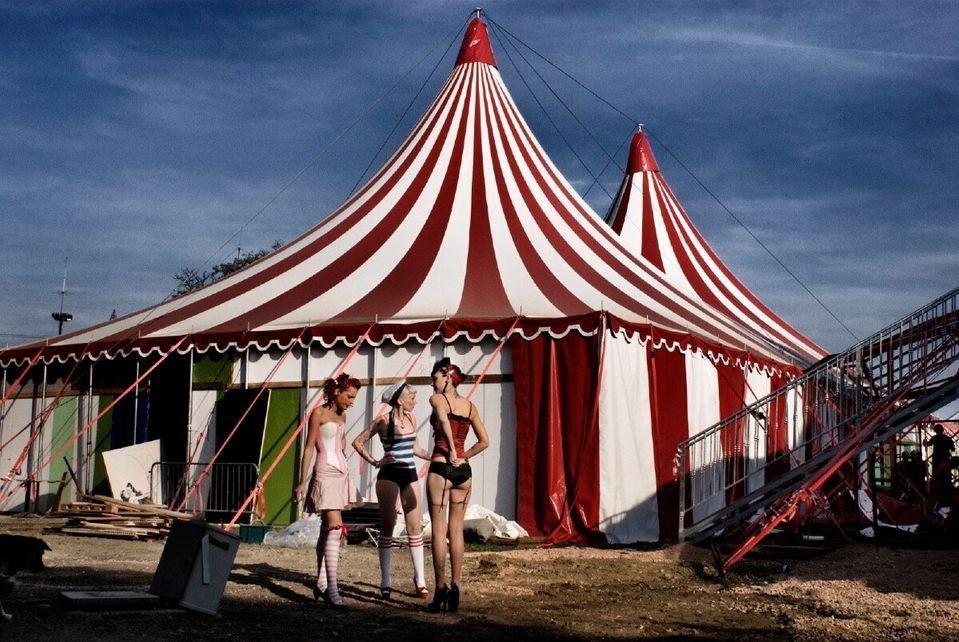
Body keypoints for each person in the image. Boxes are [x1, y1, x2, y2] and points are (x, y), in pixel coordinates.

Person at [352, 379, 432, 600]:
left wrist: (434, 457)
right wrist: (375, 461)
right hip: (389, 473)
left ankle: (420, 581)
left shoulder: (411, 418)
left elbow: (416, 449)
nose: (415, 401)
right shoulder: (383, 421)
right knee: (388, 524)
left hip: (409, 472)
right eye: (412, 397)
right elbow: (358, 442)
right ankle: (386, 581)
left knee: (414, 526)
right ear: (400, 400)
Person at [425, 358, 490, 613]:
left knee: (439, 531)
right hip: (463, 472)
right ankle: (456, 586)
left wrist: (452, 450)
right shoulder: (470, 406)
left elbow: (443, 421)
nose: (433, 384)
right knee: (457, 531)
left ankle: (440, 588)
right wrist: (464, 456)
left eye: (435, 379)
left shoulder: (438, 399)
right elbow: (484, 441)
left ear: (447, 377)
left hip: (442, 465)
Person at [294, 373, 362, 610]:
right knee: (335, 526)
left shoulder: (342, 416)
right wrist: (302, 481)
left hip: (340, 473)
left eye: (354, 397)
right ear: (337, 392)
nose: (352, 401)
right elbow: (309, 448)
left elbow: (340, 444)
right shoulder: (319, 413)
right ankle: (332, 589)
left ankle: (322, 583)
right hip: (324, 472)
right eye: (349, 396)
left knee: (328, 528)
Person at [924, 424, 955, 496]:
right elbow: (953, 449)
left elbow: (927, 444)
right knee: (946, 476)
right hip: (945, 459)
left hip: (937, 460)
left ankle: (936, 491)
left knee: (936, 475)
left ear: (935, 431)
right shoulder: (948, 438)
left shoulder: (934, 438)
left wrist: (924, 442)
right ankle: (947, 490)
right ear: (942, 430)